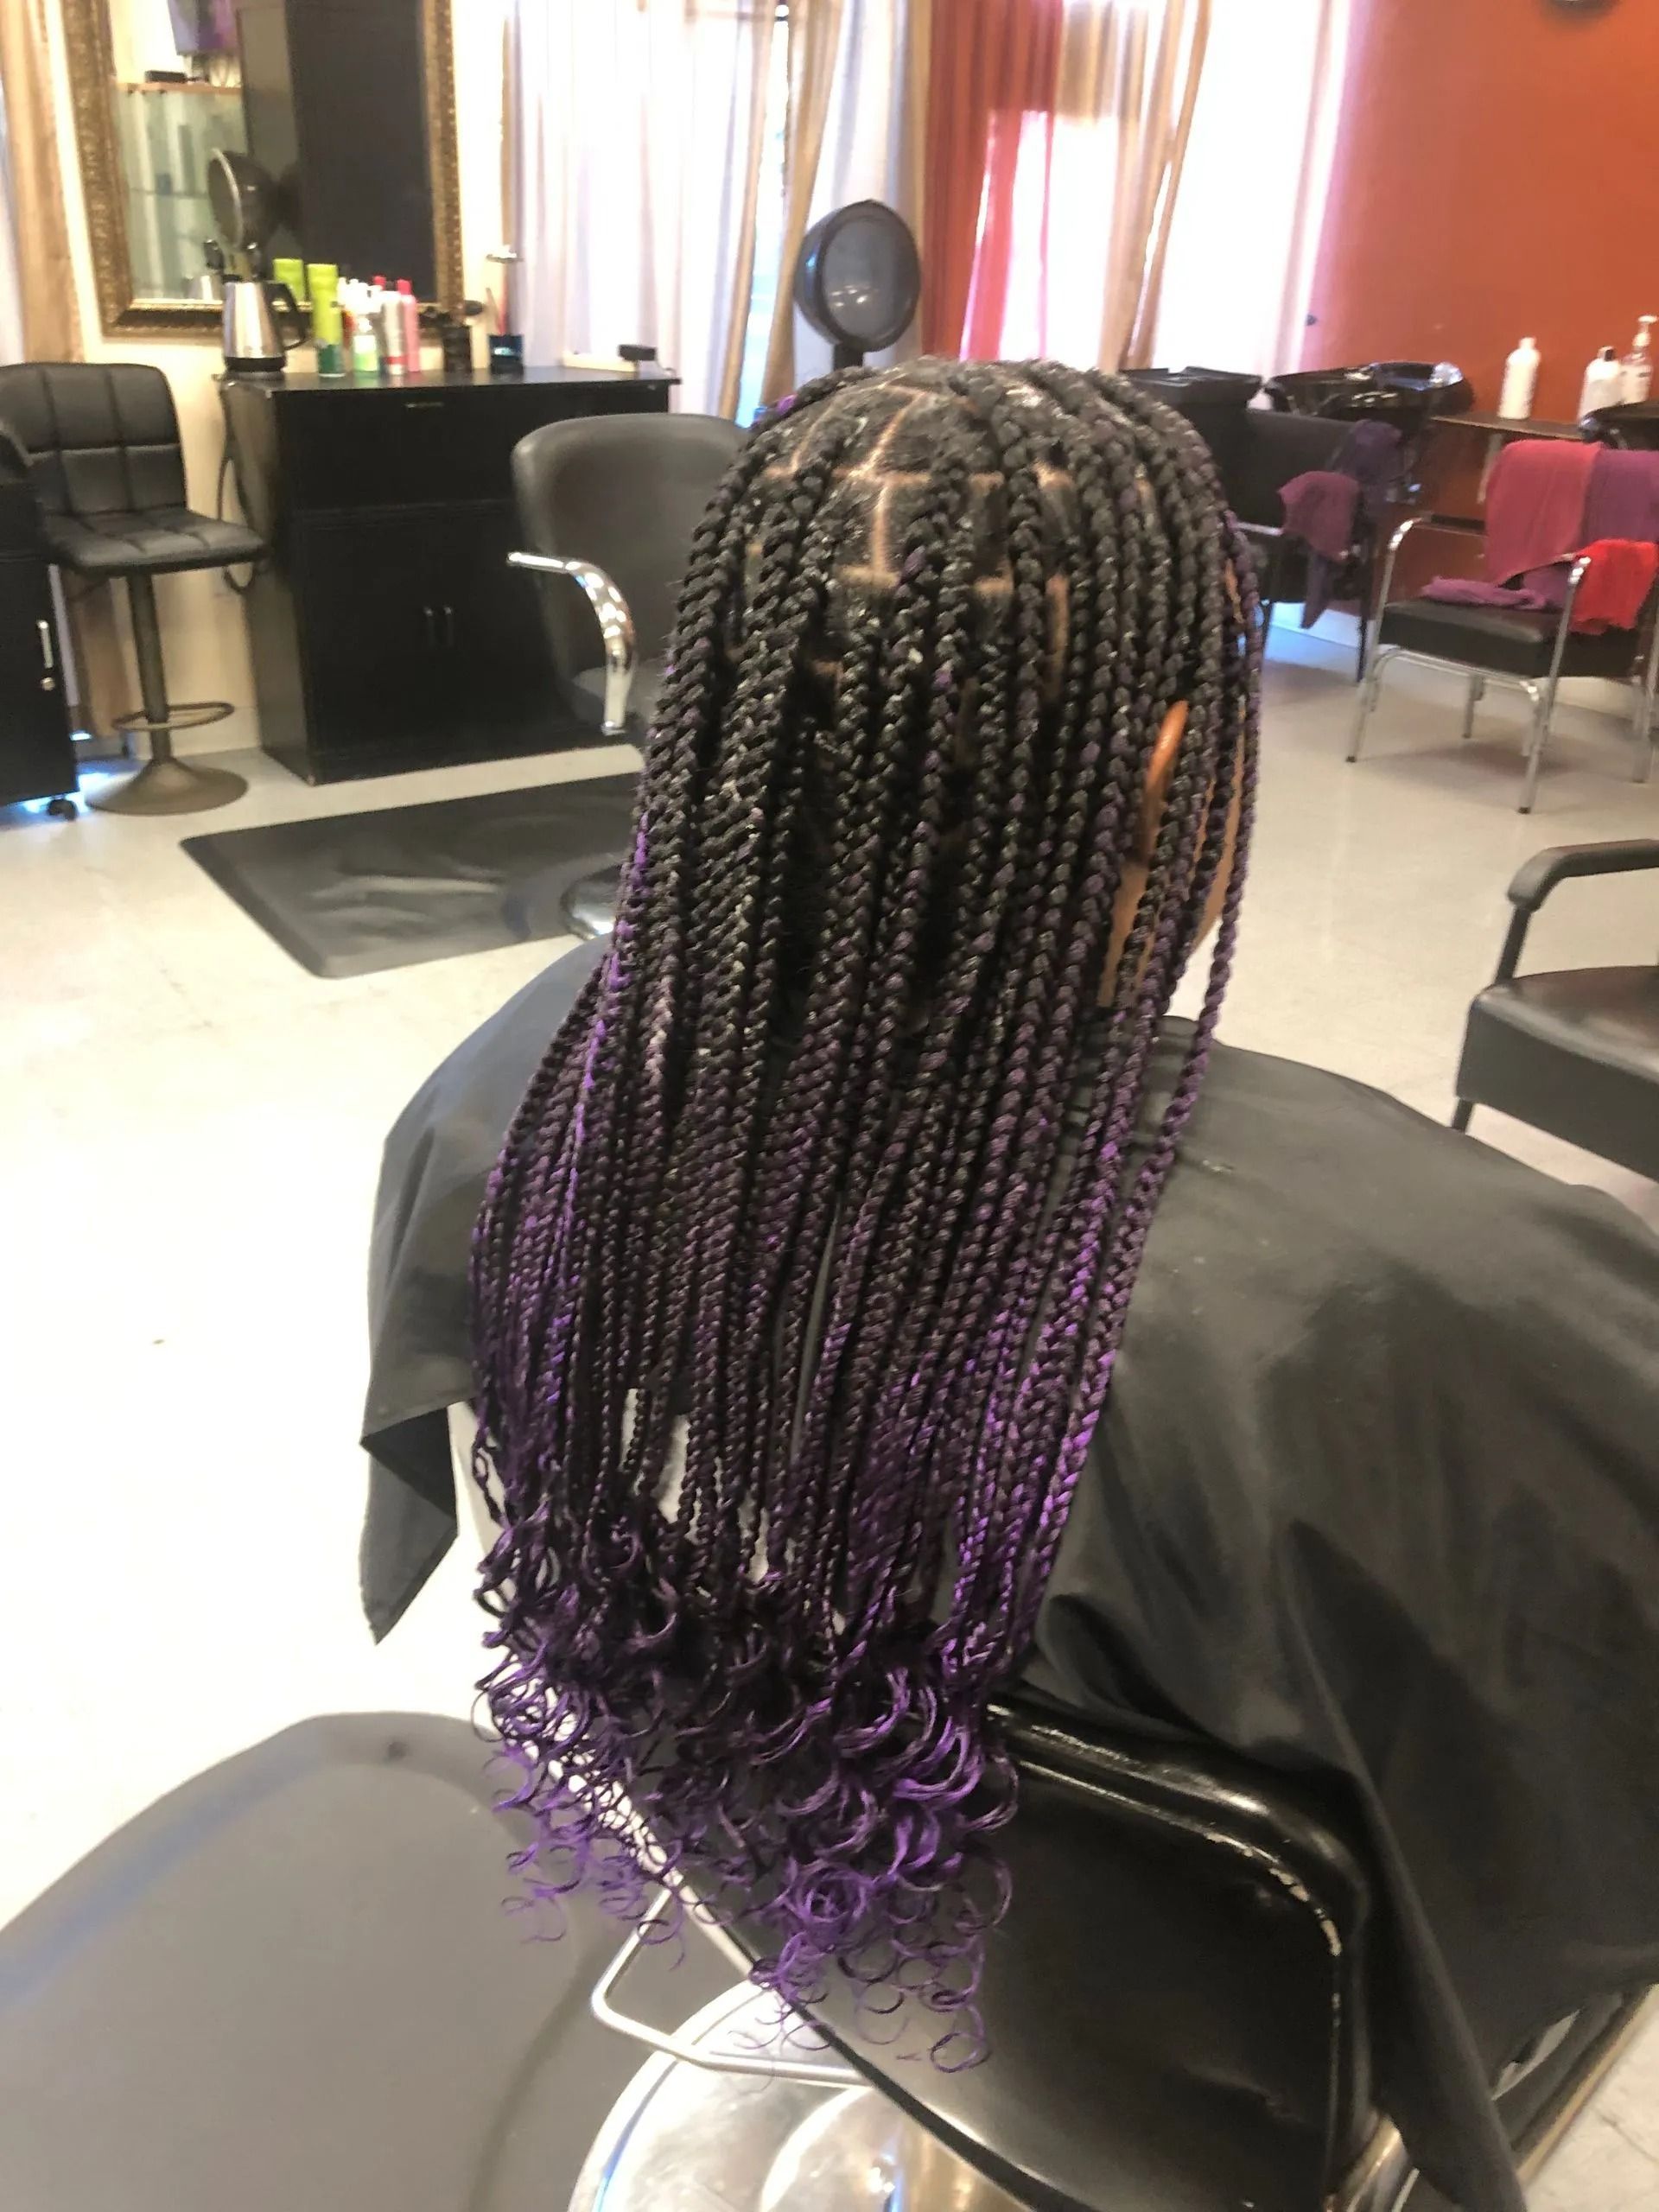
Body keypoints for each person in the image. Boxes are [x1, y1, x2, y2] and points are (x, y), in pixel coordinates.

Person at [360, 363, 1659, 2212]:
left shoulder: (515, 1094)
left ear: (723, 723)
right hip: (1182, 2063)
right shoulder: (1439, 1300)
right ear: (1166, 768)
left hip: (803, 1886)